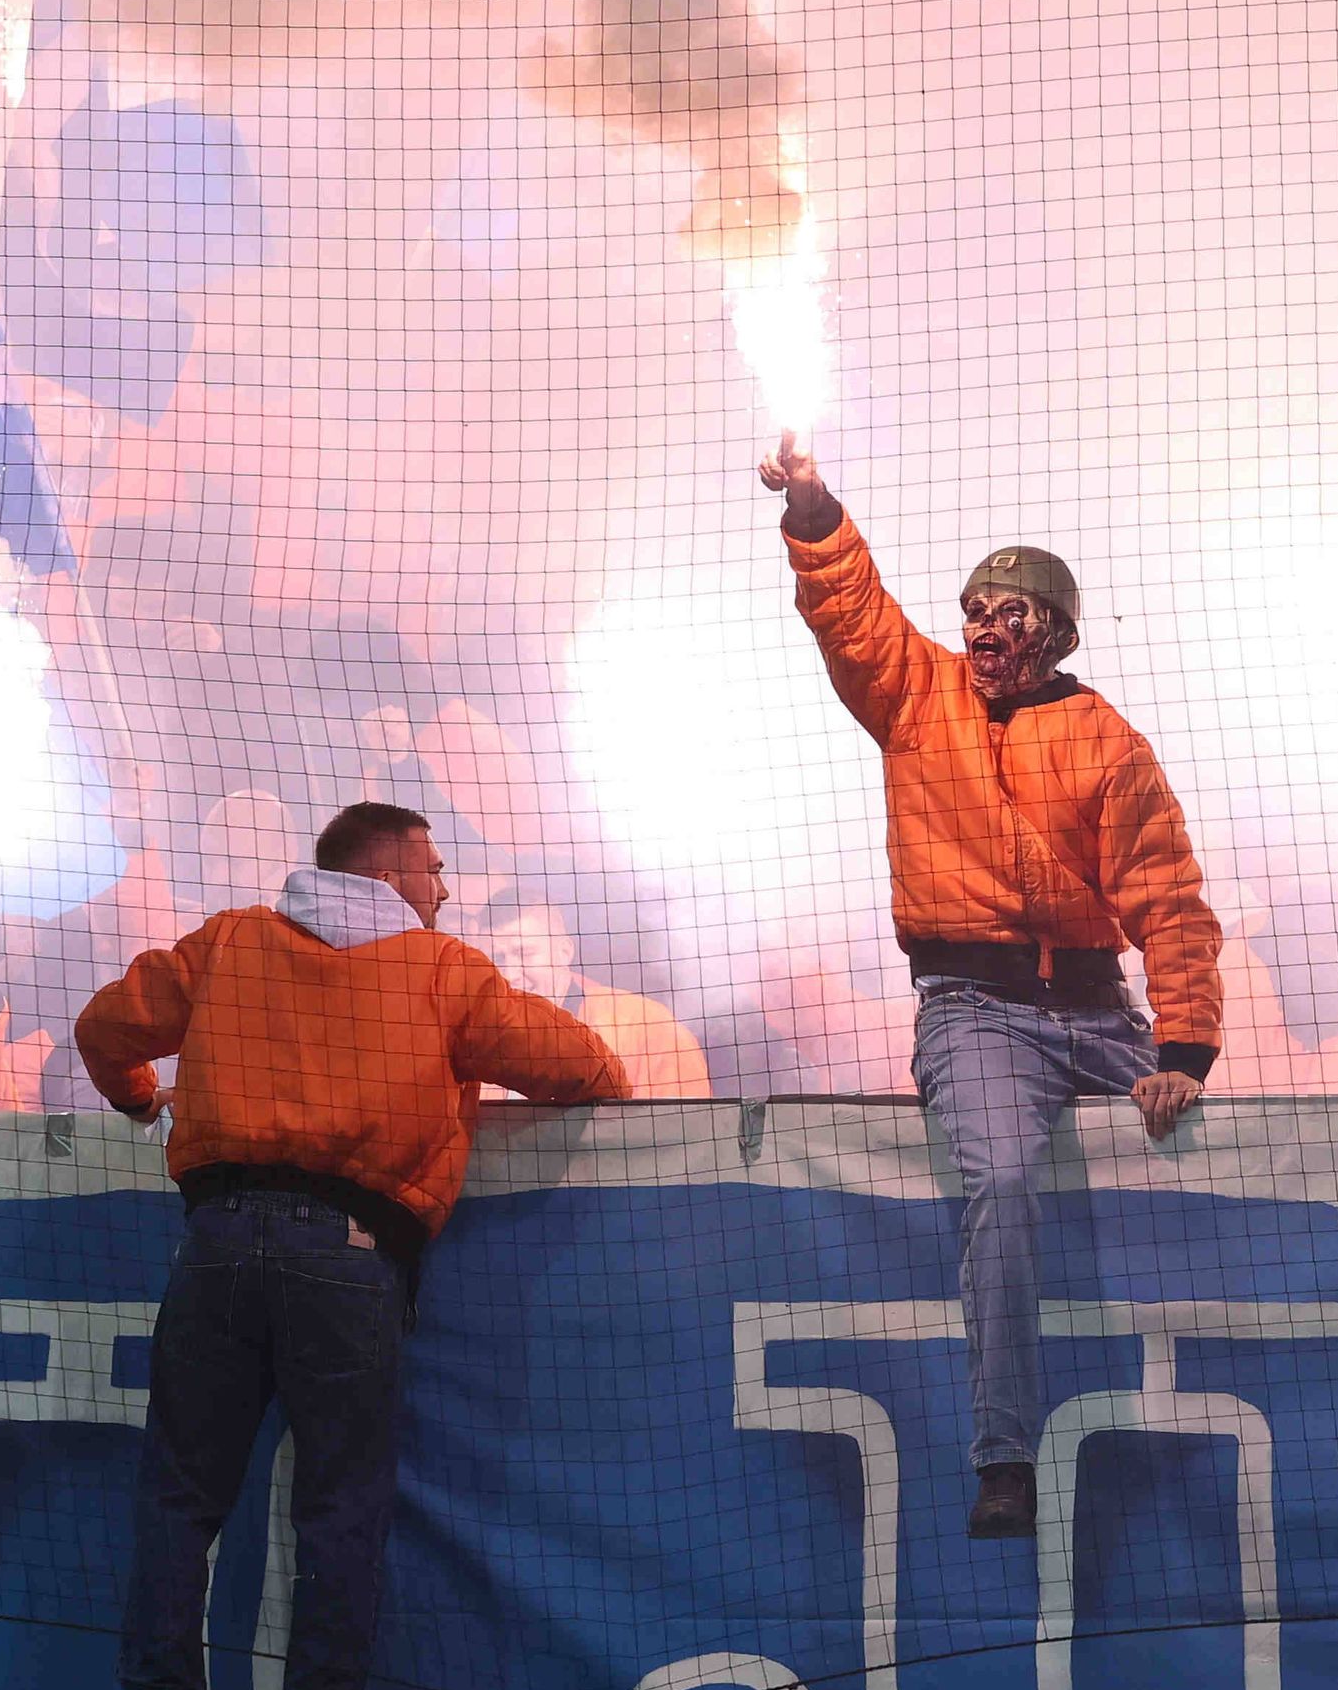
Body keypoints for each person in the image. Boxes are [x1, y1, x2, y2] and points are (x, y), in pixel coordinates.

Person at [75, 801, 632, 1690]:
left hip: (215, 1242)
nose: (446, 888)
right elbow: (582, 1066)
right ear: (387, 871)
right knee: (340, 1510)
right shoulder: (442, 970)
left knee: (179, 1498)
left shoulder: (230, 940)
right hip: (348, 1254)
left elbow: (101, 1028)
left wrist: (136, 1100)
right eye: (434, 867)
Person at [758, 433, 1224, 1539]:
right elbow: (850, 610)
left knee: (1219, 1140)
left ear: (1054, 635)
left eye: (1010, 615)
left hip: (1102, 1012)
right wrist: (814, 509)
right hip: (975, 1011)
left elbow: (1166, 900)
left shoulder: (1105, 740)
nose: (986, 628)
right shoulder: (915, 695)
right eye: (975, 607)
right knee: (1004, 1184)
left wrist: (1180, 1056)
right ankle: (1005, 1454)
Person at [472, 882, 712, 1099]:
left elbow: (687, 1135)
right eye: (496, 958)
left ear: (565, 952)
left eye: (525, 953)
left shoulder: (648, 1027)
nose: (509, 974)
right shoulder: (475, 1043)